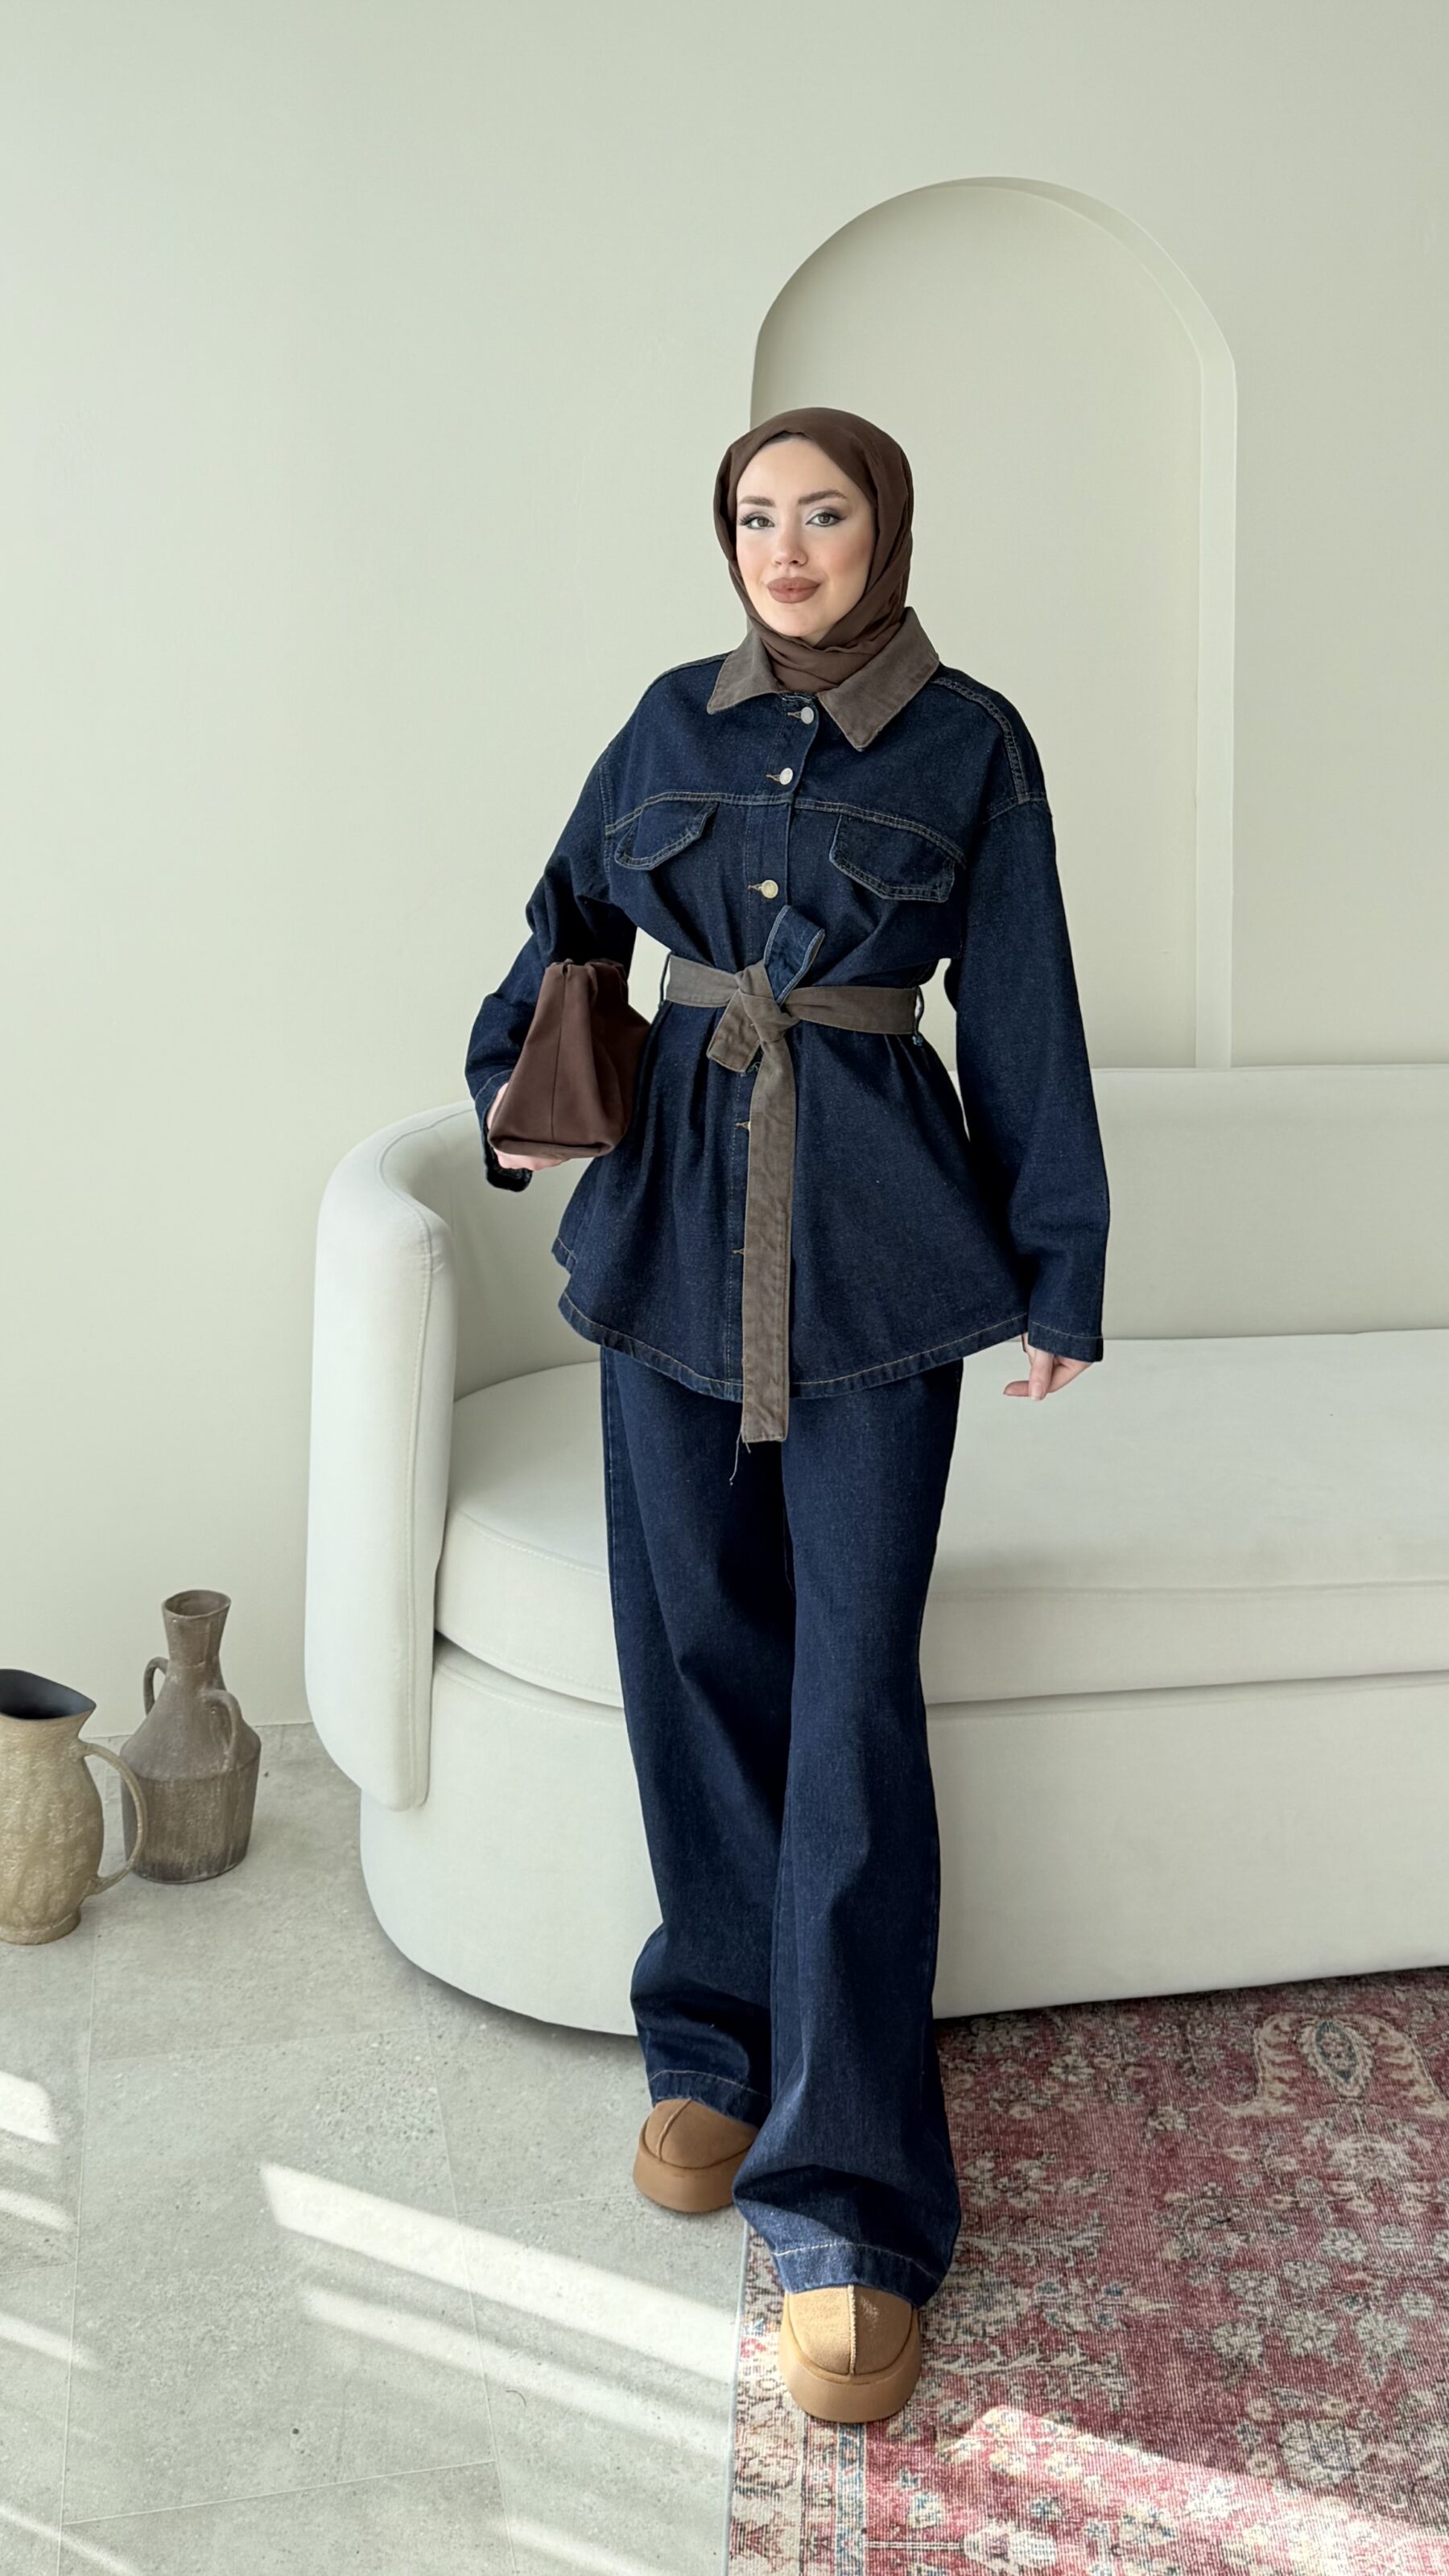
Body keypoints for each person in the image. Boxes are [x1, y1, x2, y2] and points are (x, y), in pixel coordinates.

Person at [464, 404, 1110, 2426]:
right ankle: (716, 2046)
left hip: (877, 1247)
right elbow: (570, 920)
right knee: (693, 1650)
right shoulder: (668, 717)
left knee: (848, 1703)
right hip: (668, 1226)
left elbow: (1026, 1005)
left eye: (826, 512)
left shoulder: (973, 741)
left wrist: (1059, 1266)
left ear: (886, 529)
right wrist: (512, 1092)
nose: (790, 545)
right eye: (758, 515)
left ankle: (850, 2202)